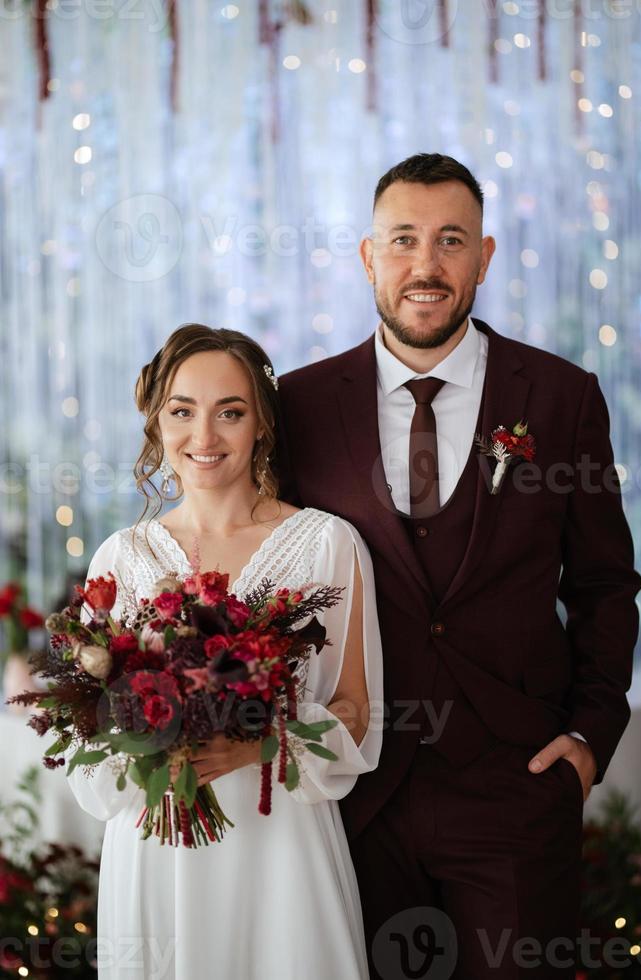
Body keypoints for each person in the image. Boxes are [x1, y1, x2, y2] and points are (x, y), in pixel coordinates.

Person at [277, 153, 641, 979]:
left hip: (515, 787)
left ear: (483, 257)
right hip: (355, 792)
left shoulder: (560, 395)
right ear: (370, 257)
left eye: (451, 240)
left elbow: (604, 586)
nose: (426, 264)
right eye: (403, 239)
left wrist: (588, 737)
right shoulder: (297, 405)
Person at [66, 324, 384, 980]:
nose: (204, 437)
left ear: (262, 424)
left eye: (229, 413)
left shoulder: (329, 545)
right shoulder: (121, 558)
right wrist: (144, 732)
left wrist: (263, 743)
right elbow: (84, 721)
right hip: (158, 843)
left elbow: (355, 708)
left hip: (281, 850)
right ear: (158, 422)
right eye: (182, 412)